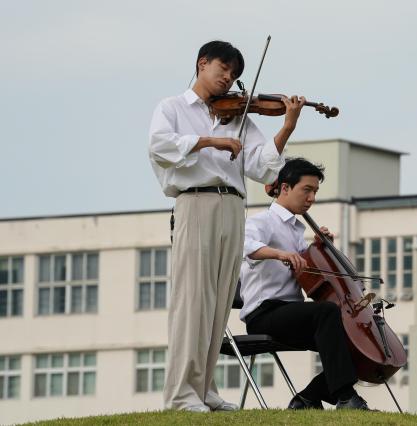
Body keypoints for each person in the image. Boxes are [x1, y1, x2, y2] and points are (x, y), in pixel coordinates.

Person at [148, 40, 305, 412]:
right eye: (224, 69)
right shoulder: (171, 107)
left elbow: (262, 166)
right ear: (202, 64)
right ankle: (180, 395)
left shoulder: (238, 116)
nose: (229, 78)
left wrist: (287, 126)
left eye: (234, 74)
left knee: (218, 302)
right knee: (193, 300)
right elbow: (159, 146)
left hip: (234, 206)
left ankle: (203, 389)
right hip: (196, 201)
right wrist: (210, 140)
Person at [239, 158, 371, 410]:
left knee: (356, 342)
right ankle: (345, 397)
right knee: (326, 312)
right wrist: (280, 254)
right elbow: (245, 246)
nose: (311, 198)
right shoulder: (262, 222)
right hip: (264, 313)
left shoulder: (297, 231)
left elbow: (314, 273)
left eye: (315, 192)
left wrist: (322, 248)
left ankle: (307, 398)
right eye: (306, 190)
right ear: (285, 188)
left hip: (293, 315)